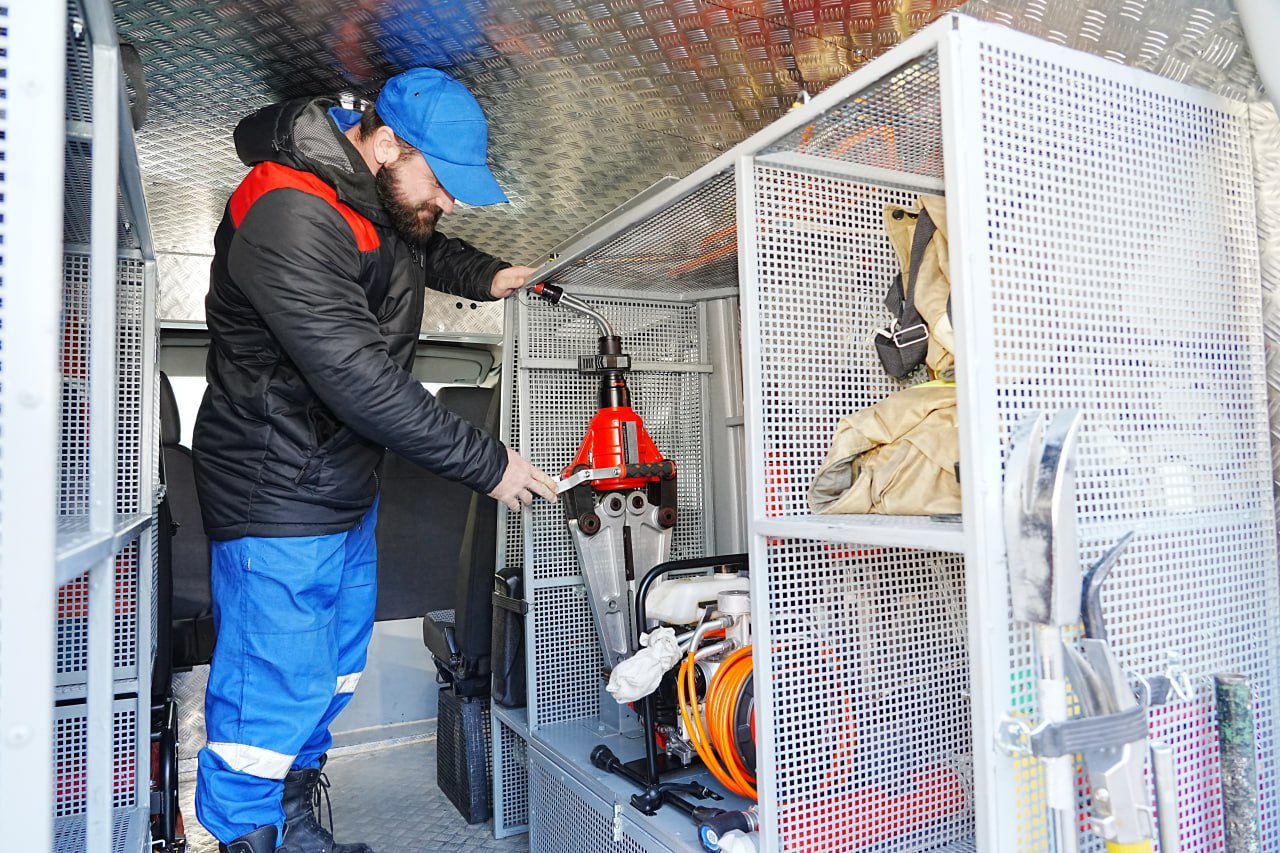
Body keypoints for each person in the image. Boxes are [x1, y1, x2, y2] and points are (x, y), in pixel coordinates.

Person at [191, 67, 559, 853]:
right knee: (269, 695)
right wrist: (490, 464)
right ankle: (243, 839)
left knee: (327, 677)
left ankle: (292, 827)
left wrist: (491, 276)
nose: (450, 200)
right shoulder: (286, 206)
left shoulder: (372, 193)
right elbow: (358, 378)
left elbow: (418, 242)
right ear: (386, 143)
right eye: (442, 181)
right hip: (275, 490)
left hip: (339, 487)